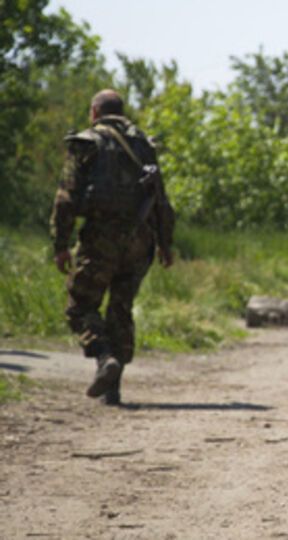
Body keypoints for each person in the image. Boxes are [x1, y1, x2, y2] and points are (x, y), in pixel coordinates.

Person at [50, 89, 175, 406]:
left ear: (94, 112)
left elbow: (66, 198)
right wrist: (165, 244)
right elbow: (160, 199)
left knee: (80, 305)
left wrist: (61, 245)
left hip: (100, 239)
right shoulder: (144, 144)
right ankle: (113, 388)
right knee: (121, 308)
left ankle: (105, 358)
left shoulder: (86, 143)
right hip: (139, 240)